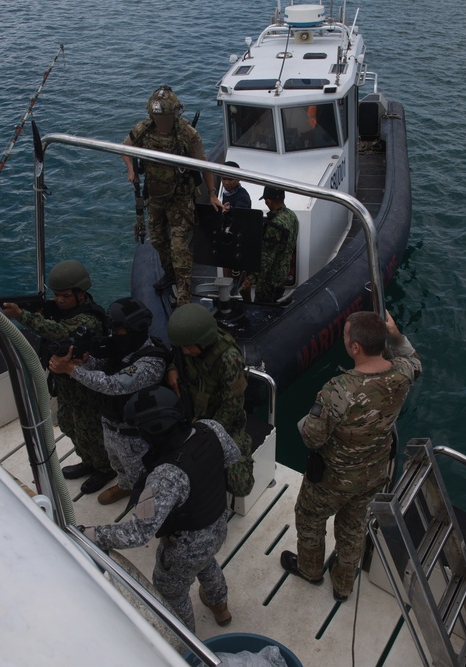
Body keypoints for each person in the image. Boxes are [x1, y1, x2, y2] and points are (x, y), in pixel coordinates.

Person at [280, 310, 422, 602]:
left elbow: (312, 437)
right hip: (374, 474)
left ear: (355, 347)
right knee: (353, 528)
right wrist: (394, 333)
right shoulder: (403, 373)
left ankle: (310, 571)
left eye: (346, 335)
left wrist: (304, 422)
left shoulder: (338, 391)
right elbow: (415, 359)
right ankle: (343, 586)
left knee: (309, 518)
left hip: (333, 479)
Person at [81, 386, 239, 631]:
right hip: (218, 526)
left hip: (184, 549)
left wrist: (89, 534)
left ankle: (187, 644)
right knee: (206, 561)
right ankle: (220, 607)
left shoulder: (164, 478)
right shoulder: (212, 428)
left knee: (171, 591)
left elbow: (136, 534)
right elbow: (231, 457)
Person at [1, 260, 115, 494]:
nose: (59, 300)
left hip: (85, 384)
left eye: (65, 296)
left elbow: (60, 331)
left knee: (90, 430)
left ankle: (104, 468)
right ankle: (88, 461)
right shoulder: (60, 310)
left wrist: (23, 315)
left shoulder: (89, 318)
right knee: (69, 424)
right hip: (65, 384)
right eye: (57, 295)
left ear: (80, 294)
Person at [49, 297, 170, 505]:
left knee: (138, 471)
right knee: (116, 463)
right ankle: (124, 486)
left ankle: (143, 498)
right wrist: (87, 362)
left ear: (135, 329)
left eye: (119, 330)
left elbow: (114, 384)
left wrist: (71, 370)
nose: (114, 335)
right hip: (110, 422)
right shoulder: (122, 347)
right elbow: (104, 365)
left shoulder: (151, 360)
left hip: (133, 432)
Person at [123, 86, 224, 305]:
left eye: (166, 118)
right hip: (156, 196)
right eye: (158, 118)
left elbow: (203, 164)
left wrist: (213, 194)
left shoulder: (186, 133)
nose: (162, 123)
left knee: (179, 248)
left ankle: (185, 295)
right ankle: (169, 274)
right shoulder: (144, 129)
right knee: (158, 241)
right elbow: (126, 147)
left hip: (180, 197)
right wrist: (131, 170)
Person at [165, 303, 253, 497]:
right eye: (182, 347)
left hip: (224, 425)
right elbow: (177, 357)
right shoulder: (186, 346)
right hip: (191, 416)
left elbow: (232, 407)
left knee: (241, 486)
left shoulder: (229, 360)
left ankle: (243, 446)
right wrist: (172, 369)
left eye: (188, 347)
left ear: (203, 341)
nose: (185, 352)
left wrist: (206, 437)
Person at [241, 186, 298, 303]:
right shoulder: (292, 216)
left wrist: (251, 279)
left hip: (269, 281)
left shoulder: (274, 226)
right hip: (282, 275)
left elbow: (266, 260)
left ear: (269, 201)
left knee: (262, 309)